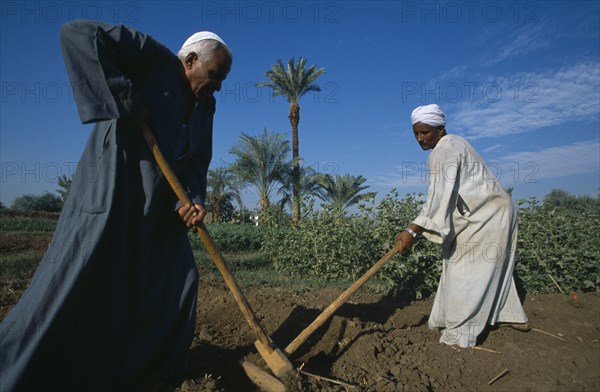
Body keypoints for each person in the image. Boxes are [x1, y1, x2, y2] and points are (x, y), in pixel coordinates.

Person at [0, 20, 232, 390]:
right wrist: (125, 99)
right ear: (189, 60)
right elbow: (77, 34)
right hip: (113, 191)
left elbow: (197, 161)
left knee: (178, 277)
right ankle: (17, 368)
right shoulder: (152, 59)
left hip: (160, 208)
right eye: (214, 75)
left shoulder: (207, 106)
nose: (217, 85)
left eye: (221, 80)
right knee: (78, 276)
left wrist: (195, 202)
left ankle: (154, 367)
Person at [395, 104, 529, 348]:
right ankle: (507, 315)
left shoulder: (445, 151)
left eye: (424, 132)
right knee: (485, 267)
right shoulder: (456, 144)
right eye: (416, 133)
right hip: (489, 213)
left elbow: (439, 195)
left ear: (440, 129)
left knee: (466, 272)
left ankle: (459, 335)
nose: (420, 138)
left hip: (488, 215)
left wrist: (413, 229)